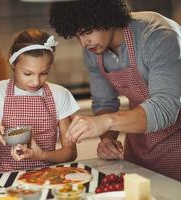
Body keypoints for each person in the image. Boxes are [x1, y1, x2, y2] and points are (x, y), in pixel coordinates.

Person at [49, 0, 181, 181]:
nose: (83, 43)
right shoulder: (93, 50)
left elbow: (164, 108)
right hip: (139, 147)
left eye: (87, 32)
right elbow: (105, 103)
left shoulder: (158, 36)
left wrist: (105, 122)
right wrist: (107, 139)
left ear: (107, 15)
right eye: (76, 36)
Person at [0, 28, 79, 172]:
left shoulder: (60, 95)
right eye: (27, 73)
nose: (35, 81)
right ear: (13, 63)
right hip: (7, 179)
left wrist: (42, 155)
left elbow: (70, 152)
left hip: (48, 177)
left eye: (44, 73)